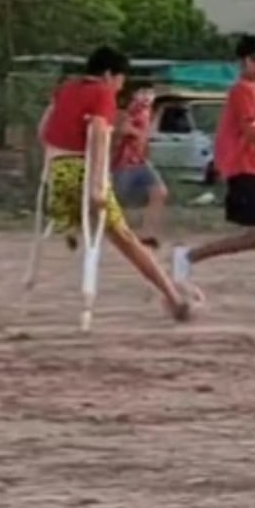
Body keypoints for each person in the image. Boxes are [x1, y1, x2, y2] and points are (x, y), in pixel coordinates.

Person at [38, 46, 194, 321]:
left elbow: (43, 130)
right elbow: (100, 134)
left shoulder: (66, 89)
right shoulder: (102, 93)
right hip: (81, 174)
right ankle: (172, 296)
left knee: (107, 230)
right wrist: (98, 182)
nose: (121, 86)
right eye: (121, 79)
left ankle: (69, 223)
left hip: (55, 174)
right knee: (126, 239)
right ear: (109, 74)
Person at [171, 35, 255, 311]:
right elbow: (249, 131)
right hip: (240, 168)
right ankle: (188, 256)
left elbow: (247, 135)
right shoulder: (242, 90)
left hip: (252, 167)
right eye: (253, 60)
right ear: (242, 63)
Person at [111, 83, 166, 248]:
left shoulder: (147, 112)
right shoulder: (127, 111)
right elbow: (120, 129)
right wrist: (137, 133)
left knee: (159, 192)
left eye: (150, 93)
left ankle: (146, 234)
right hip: (123, 163)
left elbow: (146, 137)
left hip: (140, 162)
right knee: (115, 200)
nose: (148, 96)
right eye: (144, 92)